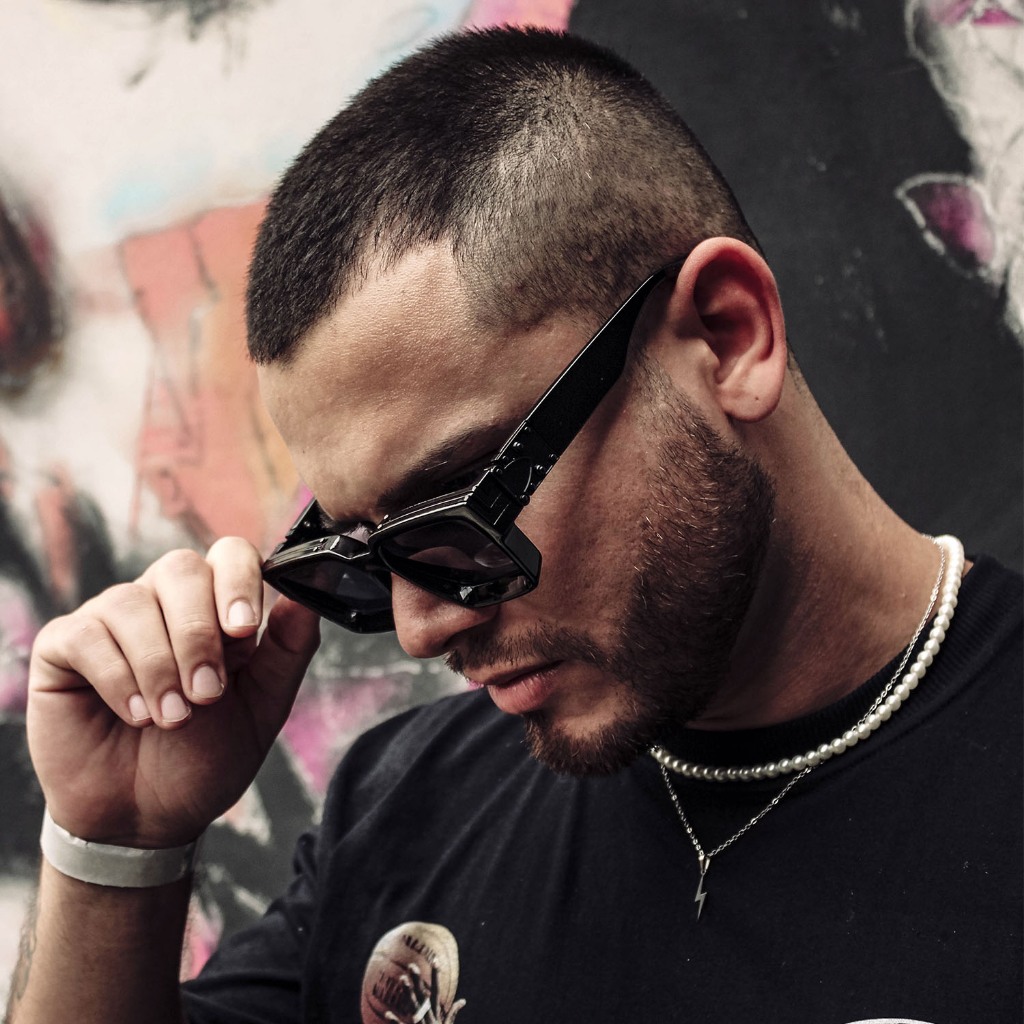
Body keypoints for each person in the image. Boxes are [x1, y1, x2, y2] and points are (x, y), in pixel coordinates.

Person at [6, 27, 1021, 1024]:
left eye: (459, 503)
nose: (420, 628)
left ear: (727, 334)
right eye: (361, 554)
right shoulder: (401, 807)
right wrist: (116, 845)